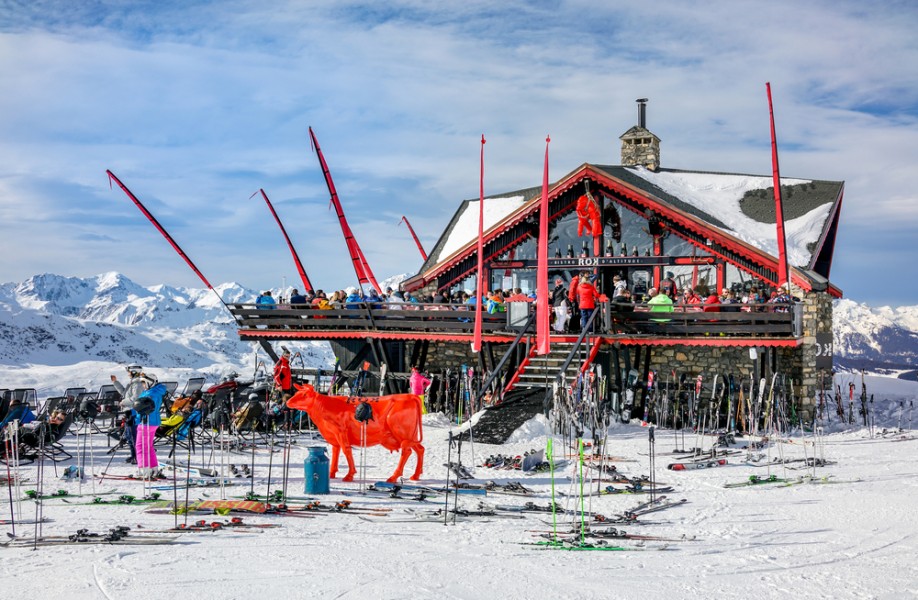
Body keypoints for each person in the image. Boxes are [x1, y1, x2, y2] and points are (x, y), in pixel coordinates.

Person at [133, 382, 168, 479]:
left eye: (144, 382)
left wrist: (133, 416)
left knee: (140, 446)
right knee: (148, 446)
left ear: (150, 383)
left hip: (145, 422)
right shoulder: (157, 391)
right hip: (154, 422)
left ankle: (143, 470)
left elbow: (140, 406)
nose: (143, 384)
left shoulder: (149, 394)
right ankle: (154, 469)